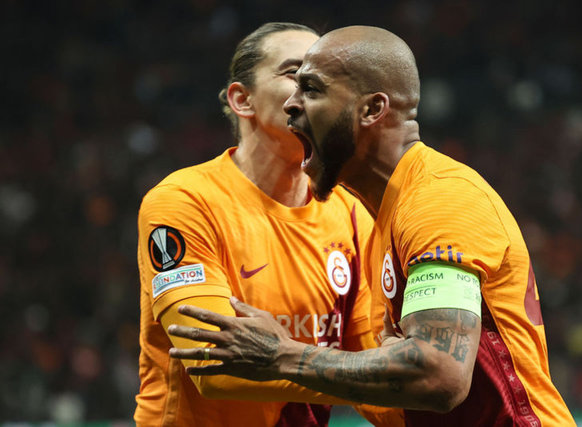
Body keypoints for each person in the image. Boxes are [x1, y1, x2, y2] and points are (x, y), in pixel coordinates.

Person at [167, 25, 576, 426]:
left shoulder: (439, 198)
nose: (292, 103)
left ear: (372, 110)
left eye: (311, 89)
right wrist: (388, 362)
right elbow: (399, 377)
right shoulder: (380, 214)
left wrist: (282, 356)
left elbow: (438, 375)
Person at [134, 22, 395, 426]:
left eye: (326, 79)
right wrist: (371, 376)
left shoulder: (352, 213)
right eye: (295, 72)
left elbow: (377, 376)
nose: (315, 89)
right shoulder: (184, 202)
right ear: (243, 100)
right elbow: (215, 365)